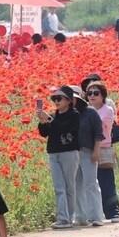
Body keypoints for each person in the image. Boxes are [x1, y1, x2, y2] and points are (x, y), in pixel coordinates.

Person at [36, 87, 81, 229]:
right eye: (54, 99)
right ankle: (62, 218)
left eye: (59, 98)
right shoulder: (53, 116)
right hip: (53, 153)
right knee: (59, 187)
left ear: (68, 100)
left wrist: (49, 119)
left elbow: (64, 128)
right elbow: (44, 133)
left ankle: (70, 216)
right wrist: (43, 121)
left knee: (69, 186)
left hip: (69, 152)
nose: (56, 101)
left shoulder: (75, 115)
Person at [85, 81, 119, 222]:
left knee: (106, 182)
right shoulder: (86, 110)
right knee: (92, 183)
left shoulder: (107, 110)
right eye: (89, 93)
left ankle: (113, 212)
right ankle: (95, 213)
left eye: (96, 93)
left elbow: (97, 127)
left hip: (103, 148)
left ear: (103, 95)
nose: (92, 96)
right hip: (88, 149)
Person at [72, 87, 106, 228]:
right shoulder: (68, 114)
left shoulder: (90, 112)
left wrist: (96, 151)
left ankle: (96, 216)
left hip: (88, 151)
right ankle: (80, 216)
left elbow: (99, 133)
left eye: (72, 98)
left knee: (91, 184)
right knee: (76, 185)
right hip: (72, 154)